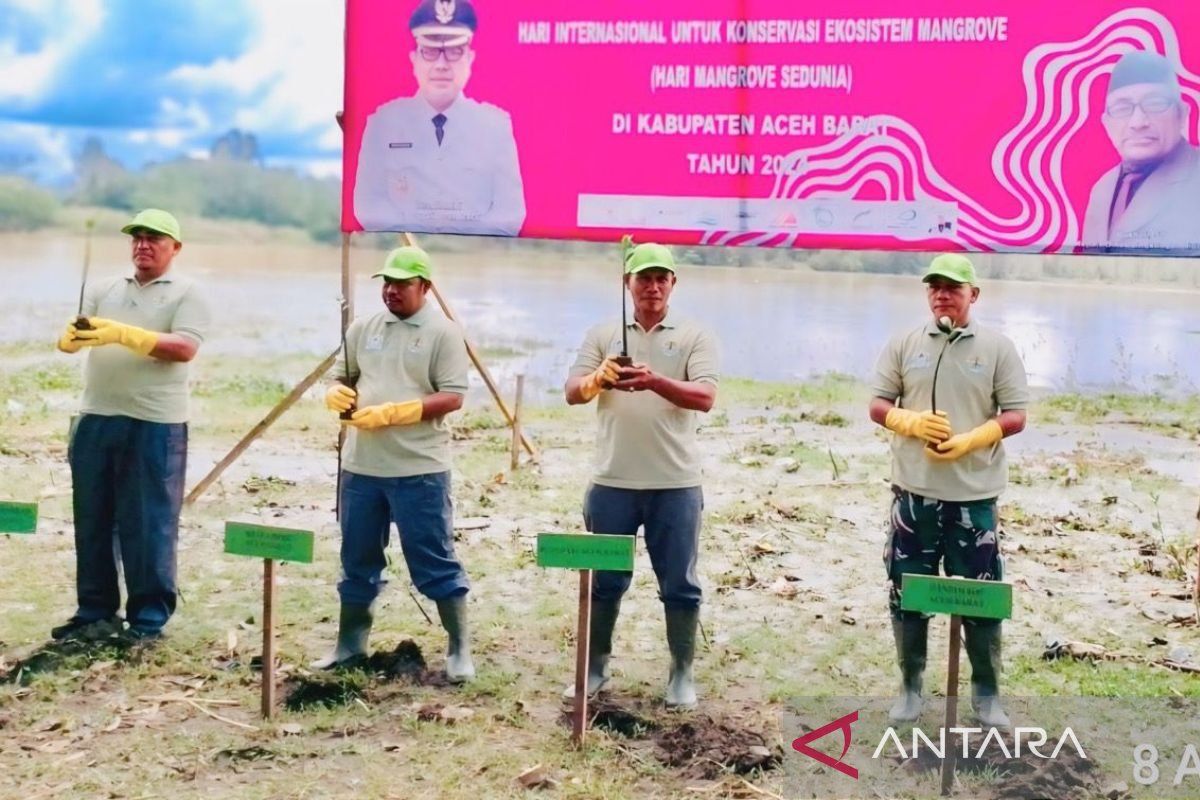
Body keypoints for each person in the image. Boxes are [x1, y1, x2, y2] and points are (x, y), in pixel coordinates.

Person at [868, 253, 1028, 728]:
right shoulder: (905, 343)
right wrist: (906, 419)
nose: (943, 294)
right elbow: (878, 403)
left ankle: (986, 695)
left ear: (972, 295)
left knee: (980, 596)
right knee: (908, 591)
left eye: (953, 287)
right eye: (935, 286)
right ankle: (910, 687)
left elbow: (1016, 414)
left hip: (974, 497)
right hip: (914, 495)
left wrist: (976, 436)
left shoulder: (997, 347)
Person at [564, 239, 720, 709]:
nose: (652, 286)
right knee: (604, 579)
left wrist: (654, 381)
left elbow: (705, 397)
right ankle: (594, 669)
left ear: (673, 283)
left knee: (680, 582)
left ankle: (681, 672)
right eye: (643, 278)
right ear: (627, 283)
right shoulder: (603, 333)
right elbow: (572, 391)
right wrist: (597, 379)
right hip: (612, 481)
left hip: (675, 483)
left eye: (660, 278)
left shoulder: (695, 335)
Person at [315, 246, 475, 682]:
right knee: (357, 556)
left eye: (402, 284)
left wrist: (395, 412)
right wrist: (335, 392)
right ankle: (349, 645)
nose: (392, 291)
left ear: (424, 287)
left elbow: (453, 395)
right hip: (362, 466)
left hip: (418, 467)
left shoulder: (445, 333)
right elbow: (343, 377)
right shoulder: (363, 328)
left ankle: (459, 649)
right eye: (387, 283)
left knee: (433, 557)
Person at [52, 209, 210, 641]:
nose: (143, 245)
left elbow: (184, 348)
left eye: (154, 239)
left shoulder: (188, 292)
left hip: (155, 422)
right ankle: (95, 610)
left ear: (174, 248)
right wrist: (72, 336)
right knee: (93, 518)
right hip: (97, 416)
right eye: (137, 238)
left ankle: (148, 619)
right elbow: (76, 335)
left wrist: (124, 334)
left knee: (149, 521)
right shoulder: (104, 287)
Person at [353, 0, 526, 236]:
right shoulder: (383, 124)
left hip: (473, 259)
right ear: (414, 60)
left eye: (455, 52)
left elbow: (511, 216)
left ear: (470, 59)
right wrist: (426, 232)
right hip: (401, 249)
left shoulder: (495, 127)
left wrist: (453, 231)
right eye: (430, 52)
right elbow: (367, 208)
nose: (442, 65)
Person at [1081, 50, 1200, 253]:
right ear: (1106, 124)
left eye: (1155, 104)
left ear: (1182, 114)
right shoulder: (1101, 189)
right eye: (1122, 108)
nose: (1138, 123)